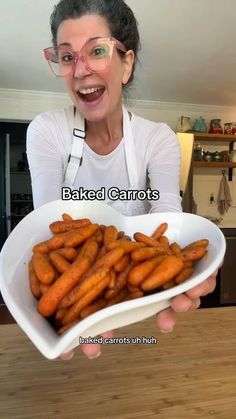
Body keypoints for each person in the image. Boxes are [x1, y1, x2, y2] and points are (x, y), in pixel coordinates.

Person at [26, 0, 218, 360]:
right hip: (76, 329)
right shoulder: (47, 131)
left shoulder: (156, 139)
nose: (80, 70)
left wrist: (188, 271)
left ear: (126, 63)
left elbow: (168, 224)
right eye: (67, 57)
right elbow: (47, 228)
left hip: (144, 323)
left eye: (96, 50)